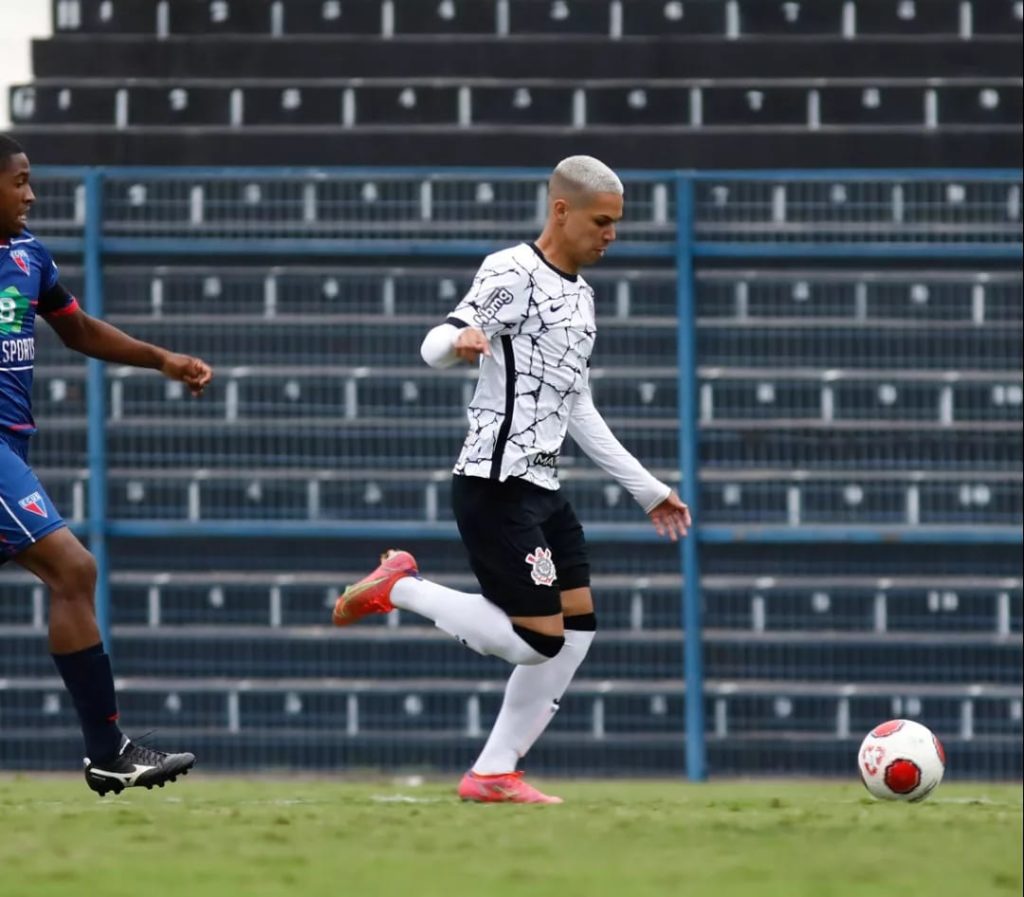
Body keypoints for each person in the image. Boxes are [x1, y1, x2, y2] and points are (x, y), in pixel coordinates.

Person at [333, 155, 691, 804]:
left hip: (543, 490)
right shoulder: (513, 271)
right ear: (562, 210)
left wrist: (646, 488)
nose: (610, 234)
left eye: (617, 224)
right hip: (495, 486)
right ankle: (403, 587)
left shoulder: (581, 296)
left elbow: (576, 404)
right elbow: (434, 342)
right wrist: (459, 342)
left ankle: (494, 771)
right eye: (601, 221)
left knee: (576, 628)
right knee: (536, 639)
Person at [0, 135, 213, 795]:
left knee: (71, 573)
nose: (32, 194)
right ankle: (107, 750)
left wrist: (161, 359)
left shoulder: (28, 256)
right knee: (73, 567)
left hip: (14, 444)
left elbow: (79, 329)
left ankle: (107, 750)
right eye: (20, 181)